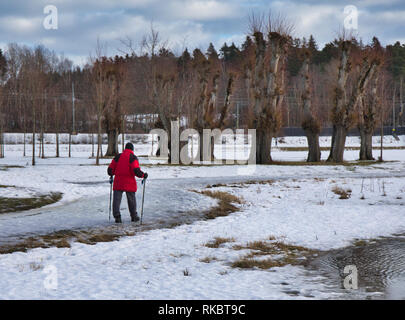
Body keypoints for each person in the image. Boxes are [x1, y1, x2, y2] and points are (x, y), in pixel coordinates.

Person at [107, 142, 148, 223]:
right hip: (129, 182)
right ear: (132, 149)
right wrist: (143, 175)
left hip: (118, 181)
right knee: (131, 199)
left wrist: (111, 174)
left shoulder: (118, 156)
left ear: (125, 148)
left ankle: (117, 217)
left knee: (116, 200)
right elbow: (136, 170)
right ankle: (134, 216)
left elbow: (110, 169)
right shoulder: (132, 157)